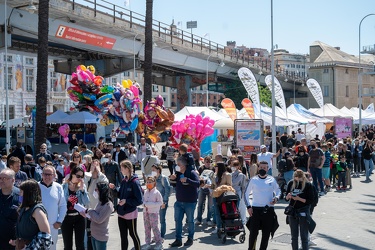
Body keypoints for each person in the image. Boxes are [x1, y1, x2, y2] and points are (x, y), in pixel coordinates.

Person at [244, 161, 281, 250]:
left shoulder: (272, 179)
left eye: (264, 168)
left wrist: (276, 198)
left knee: (266, 234)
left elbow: (278, 191)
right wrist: (249, 207)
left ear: (267, 169)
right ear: (258, 168)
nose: (262, 169)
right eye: (261, 167)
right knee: (253, 233)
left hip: (268, 210)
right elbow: (246, 194)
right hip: (255, 209)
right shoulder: (253, 179)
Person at [169, 156, 200, 247]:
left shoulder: (192, 172)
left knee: (190, 221)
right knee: (178, 221)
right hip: (179, 202)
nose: (176, 166)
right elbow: (174, 185)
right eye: (176, 164)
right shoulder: (178, 174)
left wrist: (188, 180)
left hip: (190, 202)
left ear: (184, 165)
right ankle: (178, 239)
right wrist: (172, 179)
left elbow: (198, 184)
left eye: (178, 164)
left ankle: (190, 238)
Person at [113, 160, 143, 250]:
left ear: (127, 169)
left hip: (130, 213)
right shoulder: (124, 181)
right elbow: (120, 195)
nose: (121, 170)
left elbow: (139, 200)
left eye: (122, 168)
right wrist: (114, 189)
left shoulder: (135, 182)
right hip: (121, 212)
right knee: (123, 236)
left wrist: (126, 201)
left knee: (133, 234)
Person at [14, 180, 52, 249]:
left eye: (21, 192)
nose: (19, 194)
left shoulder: (37, 210)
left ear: (28, 194)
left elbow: (45, 236)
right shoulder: (24, 208)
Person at [285, 169, 316, 250]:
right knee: (294, 237)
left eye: (299, 178)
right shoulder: (291, 183)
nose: (298, 180)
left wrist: (299, 198)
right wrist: (288, 196)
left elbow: (310, 200)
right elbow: (286, 198)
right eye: (296, 178)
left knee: (304, 237)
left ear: (303, 177)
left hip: (303, 211)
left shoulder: (308, 185)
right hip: (292, 212)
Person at [38, 165, 67, 250]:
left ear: (54, 175)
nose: (47, 176)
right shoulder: (36, 186)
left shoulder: (58, 187)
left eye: (49, 174)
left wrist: (59, 221)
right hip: (37, 226)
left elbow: (62, 206)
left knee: (51, 247)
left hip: (53, 226)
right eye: (45, 174)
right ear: (42, 175)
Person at [61, 166, 90, 250]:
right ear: (72, 175)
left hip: (79, 217)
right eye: (78, 176)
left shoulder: (82, 187)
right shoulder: (64, 186)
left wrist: (82, 190)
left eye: (82, 177)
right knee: (67, 245)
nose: (80, 179)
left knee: (80, 245)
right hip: (66, 217)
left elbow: (86, 202)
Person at [81, 182, 114, 250]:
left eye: (96, 190)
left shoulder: (108, 205)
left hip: (101, 236)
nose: (95, 191)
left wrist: (89, 211)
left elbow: (99, 219)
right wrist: (87, 216)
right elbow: (96, 216)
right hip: (94, 234)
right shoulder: (101, 202)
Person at [84, 159, 109, 250]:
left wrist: (99, 172)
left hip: (98, 212)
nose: (94, 168)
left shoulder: (101, 179)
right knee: (89, 235)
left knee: (97, 235)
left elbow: (106, 183)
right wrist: (90, 172)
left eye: (96, 165)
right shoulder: (87, 178)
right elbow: (83, 182)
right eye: (92, 166)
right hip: (88, 210)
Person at [0, 169, 20, 249]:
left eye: (5, 178)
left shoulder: (20, 196)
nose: (1, 180)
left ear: (13, 180)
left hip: (13, 242)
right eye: (0, 178)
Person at [143, 176, 163, 250]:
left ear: (154, 183)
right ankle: (147, 243)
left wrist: (149, 204)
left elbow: (160, 202)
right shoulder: (145, 192)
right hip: (146, 212)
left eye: (150, 182)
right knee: (147, 228)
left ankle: (159, 243)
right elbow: (142, 201)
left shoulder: (156, 192)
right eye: (147, 182)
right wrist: (144, 204)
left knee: (155, 228)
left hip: (153, 213)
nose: (148, 183)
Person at [211, 161, 232, 234]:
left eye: (216, 166)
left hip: (224, 196)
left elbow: (229, 186)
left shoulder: (227, 175)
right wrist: (208, 186)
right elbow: (213, 185)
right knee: (217, 212)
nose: (214, 168)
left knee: (224, 212)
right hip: (215, 195)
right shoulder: (214, 175)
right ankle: (219, 227)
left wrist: (220, 188)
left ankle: (227, 226)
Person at [151, 164, 171, 241]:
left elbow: (167, 190)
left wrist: (164, 202)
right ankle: (156, 235)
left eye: (153, 170)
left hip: (162, 202)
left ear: (158, 170)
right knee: (154, 220)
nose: (152, 172)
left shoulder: (163, 178)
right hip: (154, 203)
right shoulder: (153, 179)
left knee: (162, 220)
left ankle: (161, 236)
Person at [195, 156, 214, 227]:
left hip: (210, 189)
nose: (208, 163)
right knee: (200, 204)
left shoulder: (213, 168)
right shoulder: (201, 168)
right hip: (202, 189)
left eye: (209, 162)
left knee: (210, 205)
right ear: (204, 162)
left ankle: (209, 219)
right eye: (207, 162)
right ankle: (198, 219)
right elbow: (198, 177)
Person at [231, 160, 249, 225]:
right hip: (232, 192)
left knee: (241, 207)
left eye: (235, 165)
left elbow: (234, 182)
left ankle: (243, 221)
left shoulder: (240, 174)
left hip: (239, 192)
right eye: (233, 165)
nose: (234, 167)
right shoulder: (232, 174)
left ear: (238, 166)